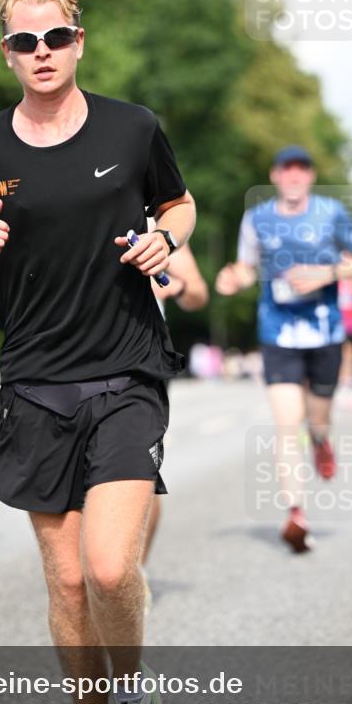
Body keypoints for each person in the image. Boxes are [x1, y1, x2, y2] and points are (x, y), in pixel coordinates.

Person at [0, 0, 196, 704]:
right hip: (35, 382)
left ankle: (133, 697)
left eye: (55, 38)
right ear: (6, 50)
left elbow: (180, 202)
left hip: (126, 372)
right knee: (62, 583)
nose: (41, 53)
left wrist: (164, 237)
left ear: (78, 40)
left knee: (109, 567)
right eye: (25, 41)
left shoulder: (132, 127)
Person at [215, 146, 352, 553]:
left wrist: (328, 272)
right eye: (287, 170)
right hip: (278, 333)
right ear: (275, 176)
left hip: (325, 333)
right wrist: (234, 278)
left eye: (301, 170)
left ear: (310, 176)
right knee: (288, 425)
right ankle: (296, 514)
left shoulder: (331, 212)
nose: (294, 177)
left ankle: (322, 442)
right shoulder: (257, 218)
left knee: (317, 422)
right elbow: (247, 266)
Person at [141, 243, 209, 613]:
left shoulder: (156, 228)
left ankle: (134, 569)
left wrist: (177, 286)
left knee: (138, 471)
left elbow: (198, 292)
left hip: (142, 361)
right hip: (71, 358)